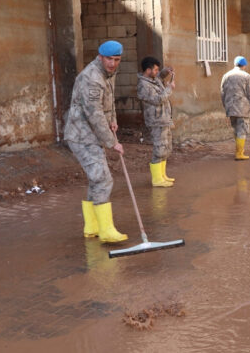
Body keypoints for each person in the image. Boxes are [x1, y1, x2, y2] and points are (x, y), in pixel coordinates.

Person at [64, 40, 127, 243]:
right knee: (102, 179)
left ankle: (91, 227)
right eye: (109, 59)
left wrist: (114, 120)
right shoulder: (92, 78)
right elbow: (95, 114)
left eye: (116, 60)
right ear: (100, 57)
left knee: (96, 179)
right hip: (82, 136)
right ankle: (106, 230)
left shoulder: (108, 74)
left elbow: (109, 101)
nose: (112, 63)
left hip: (91, 135)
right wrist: (112, 142)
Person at [137, 56, 176, 187]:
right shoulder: (144, 85)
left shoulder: (154, 79)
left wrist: (166, 71)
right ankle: (157, 179)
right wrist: (169, 89)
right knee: (159, 149)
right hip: (156, 121)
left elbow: (160, 76)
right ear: (148, 70)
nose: (157, 71)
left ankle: (162, 175)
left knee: (166, 148)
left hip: (164, 120)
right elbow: (157, 99)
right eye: (155, 69)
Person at [221, 56, 250, 160]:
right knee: (241, 130)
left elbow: (222, 92)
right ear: (244, 65)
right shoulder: (246, 76)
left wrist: (226, 105)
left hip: (230, 108)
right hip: (242, 108)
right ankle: (239, 154)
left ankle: (239, 150)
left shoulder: (226, 75)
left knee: (236, 129)